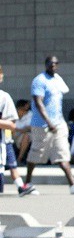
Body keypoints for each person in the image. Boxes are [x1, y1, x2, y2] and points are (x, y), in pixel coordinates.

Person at [25, 56, 74, 195]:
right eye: (50, 63)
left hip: (58, 124)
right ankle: (27, 184)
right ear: (46, 64)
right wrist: (49, 122)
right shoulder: (40, 80)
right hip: (42, 125)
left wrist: (60, 121)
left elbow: (59, 98)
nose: (53, 65)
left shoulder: (57, 79)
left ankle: (73, 184)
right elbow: (38, 103)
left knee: (62, 153)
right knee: (36, 154)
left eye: (56, 63)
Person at [0, 65, 36, 196]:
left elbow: (11, 124)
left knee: (11, 164)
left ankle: (21, 187)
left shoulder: (4, 97)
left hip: (4, 140)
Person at [13, 99, 32, 165]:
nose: (25, 111)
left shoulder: (30, 115)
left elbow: (29, 128)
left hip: (24, 136)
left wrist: (17, 129)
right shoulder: (13, 115)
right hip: (12, 135)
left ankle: (19, 159)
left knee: (26, 136)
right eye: (23, 109)